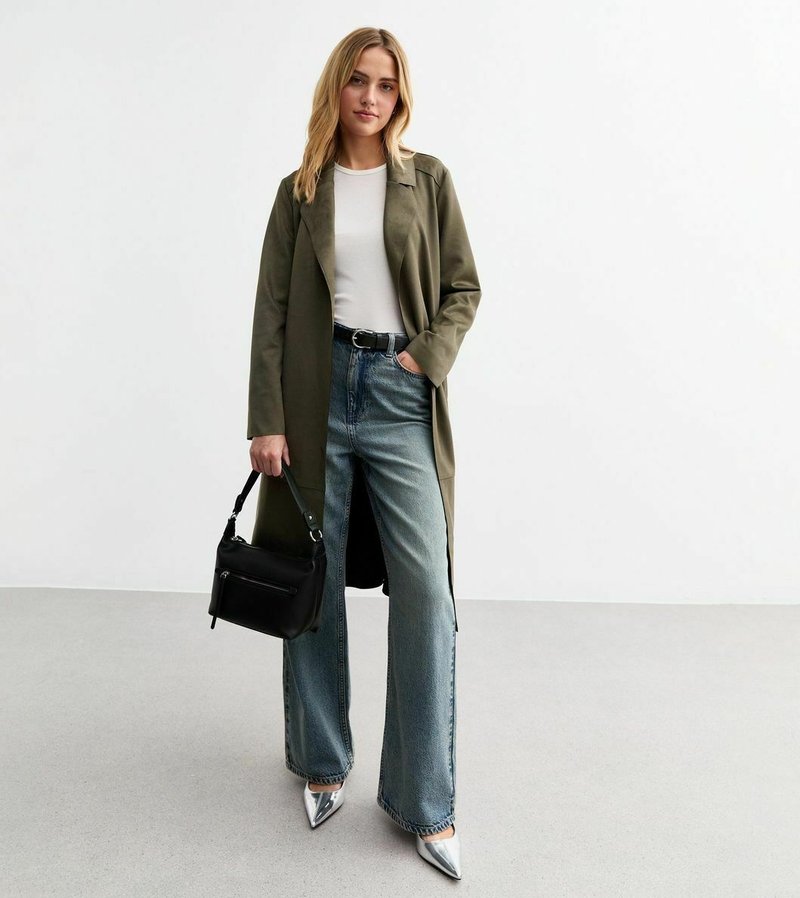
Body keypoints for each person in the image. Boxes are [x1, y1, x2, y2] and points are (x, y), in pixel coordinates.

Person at [247, 27, 481, 880]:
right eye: (357, 81)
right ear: (336, 89)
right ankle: (322, 760)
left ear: (399, 95)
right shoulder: (300, 191)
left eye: (385, 83)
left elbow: (464, 288)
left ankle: (426, 803)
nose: (370, 97)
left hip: (397, 395)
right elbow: (272, 311)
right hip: (315, 398)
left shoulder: (429, 180)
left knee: (426, 594)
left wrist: (423, 358)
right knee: (313, 582)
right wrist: (268, 419)